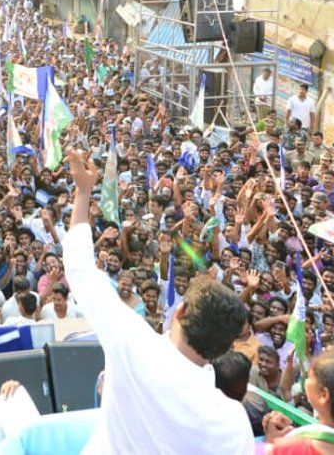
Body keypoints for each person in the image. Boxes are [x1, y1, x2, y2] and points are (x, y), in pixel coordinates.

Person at [62, 147, 254, 453]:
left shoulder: (133, 343)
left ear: (180, 311)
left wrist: (83, 192)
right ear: (225, 345)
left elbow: (79, 267)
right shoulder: (232, 422)